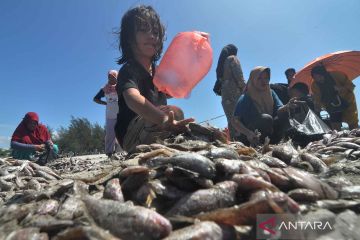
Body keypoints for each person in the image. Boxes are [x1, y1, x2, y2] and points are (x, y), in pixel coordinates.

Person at [114, 5, 194, 153]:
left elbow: (170, 91)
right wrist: (162, 118)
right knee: (167, 114)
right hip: (132, 134)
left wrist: (185, 83)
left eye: (156, 32)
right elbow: (132, 98)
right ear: (130, 38)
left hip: (158, 124)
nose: (152, 36)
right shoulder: (129, 70)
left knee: (176, 112)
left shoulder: (159, 72)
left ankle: (168, 141)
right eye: (143, 30)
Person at [233, 66, 296, 146]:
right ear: (253, 79)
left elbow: (279, 109)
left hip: (268, 131)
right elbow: (235, 121)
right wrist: (248, 133)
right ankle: (258, 143)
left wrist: (287, 106)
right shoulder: (247, 96)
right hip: (250, 136)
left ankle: (274, 141)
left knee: (286, 114)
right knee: (266, 118)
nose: (263, 81)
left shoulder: (271, 93)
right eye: (259, 78)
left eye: (266, 78)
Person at [311, 65, 358, 130]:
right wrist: (317, 106)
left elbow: (351, 86)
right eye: (315, 78)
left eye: (319, 76)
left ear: (324, 73)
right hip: (331, 106)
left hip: (347, 101)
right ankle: (339, 138)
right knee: (335, 125)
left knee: (353, 122)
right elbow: (317, 98)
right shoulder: (314, 85)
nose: (318, 79)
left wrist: (341, 89)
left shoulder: (337, 75)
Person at [214, 44, 246, 140]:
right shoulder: (232, 58)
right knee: (239, 120)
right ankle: (244, 143)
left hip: (225, 97)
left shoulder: (221, 66)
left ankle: (234, 142)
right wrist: (246, 90)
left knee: (231, 120)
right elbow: (239, 77)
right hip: (235, 95)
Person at [93, 70, 122, 158]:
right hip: (110, 114)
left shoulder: (121, 86)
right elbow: (95, 99)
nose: (110, 79)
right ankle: (109, 152)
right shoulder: (104, 89)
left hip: (122, 112)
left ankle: (121, 151)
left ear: (116, 77)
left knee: (122, 131)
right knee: (110, 133)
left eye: (113, 77)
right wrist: (105, 103)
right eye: (109, 77)